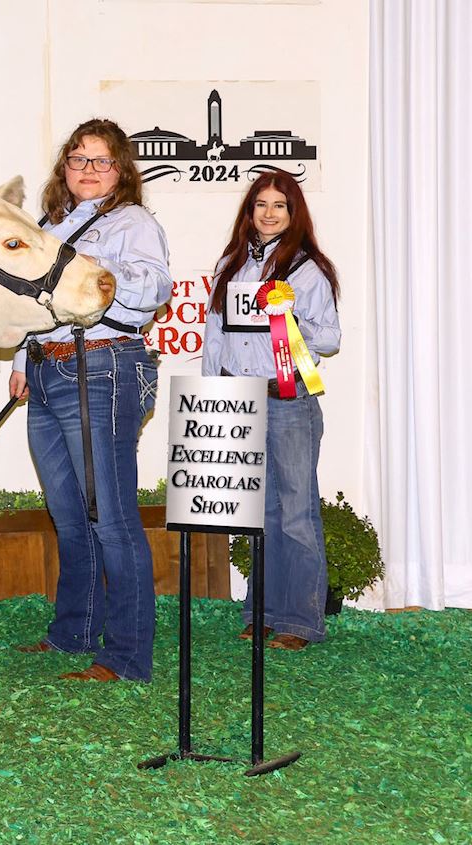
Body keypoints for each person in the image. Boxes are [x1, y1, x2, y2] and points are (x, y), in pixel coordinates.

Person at [11, 118, 171, 682]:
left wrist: (95, 272)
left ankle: (127, 655)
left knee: (112, 517)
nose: (88, 170)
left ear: (121, 171)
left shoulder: (133, 222)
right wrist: (20, 359)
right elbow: (32, 298)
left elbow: (153, 291)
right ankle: (74, 631)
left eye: (101, 161)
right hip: (47, 367)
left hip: (103, 364)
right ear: (64, 168)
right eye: (78, 159)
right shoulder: (50, 223)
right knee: (71, 516)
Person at [201, 170, 340, 651]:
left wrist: (292, 316)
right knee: (260, 512)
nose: (268, 212)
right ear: (249, 211)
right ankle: (261, 611)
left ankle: (300, 621)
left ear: (294, 212)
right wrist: (214, 391)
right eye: (260, 204)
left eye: (279, 205)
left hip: (290, 398)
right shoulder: (230, 266)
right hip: (242, 397)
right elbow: (215, 336)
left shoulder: (307, 270)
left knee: (297, 512)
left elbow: (330, 339)